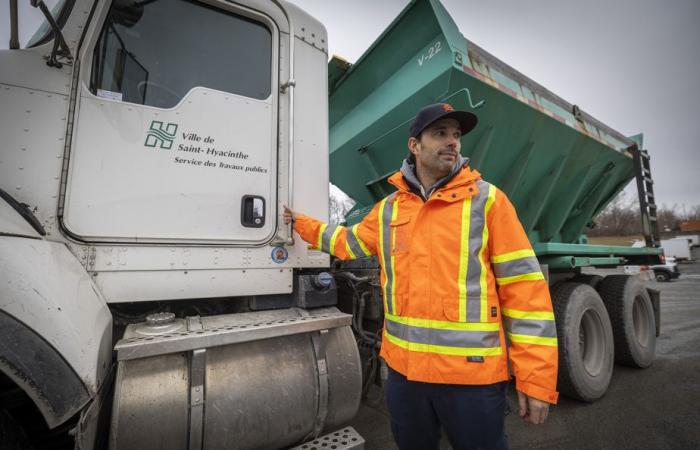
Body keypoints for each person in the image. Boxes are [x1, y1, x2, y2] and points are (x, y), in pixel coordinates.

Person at [284, 103, 558, 450]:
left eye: (456, 135)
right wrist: (300, 224)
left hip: (471, 380)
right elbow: (344, 242)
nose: (452, 142)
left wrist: (535, 380)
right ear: (414, 146)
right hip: (405, 378)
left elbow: (526, 293)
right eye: (440, 133)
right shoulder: (389, 210)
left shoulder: (488, 202)